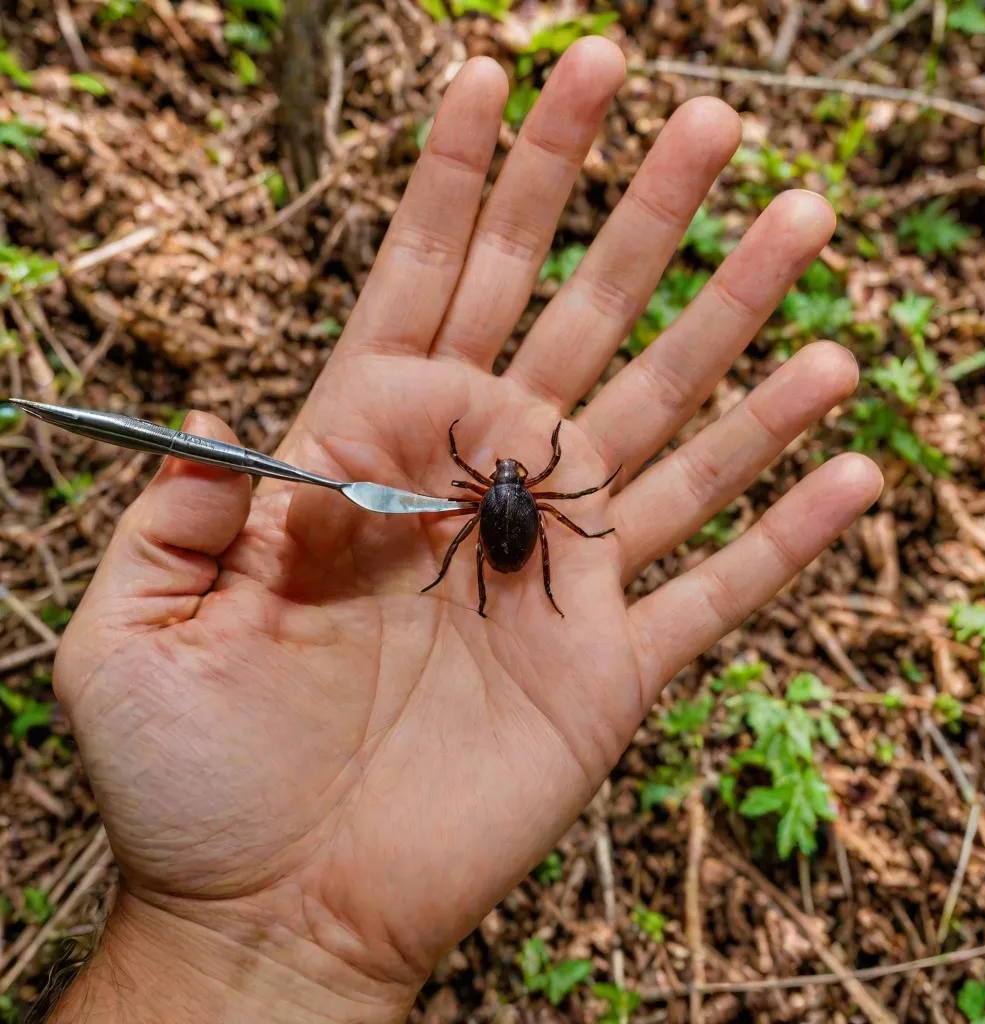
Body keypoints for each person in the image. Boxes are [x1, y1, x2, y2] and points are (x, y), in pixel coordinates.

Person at [48, 38, 882, 1023]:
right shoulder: (521, 499)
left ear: (496, 483)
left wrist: (219, 946)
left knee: (469, 554)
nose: (506, 480)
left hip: (493, 544)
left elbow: (523, 504)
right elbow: (555, 510)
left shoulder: (479, 501)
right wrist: (217, 930)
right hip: (511, 544)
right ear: (502, 482)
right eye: (503, 476)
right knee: (490, 550)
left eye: (505, 477)